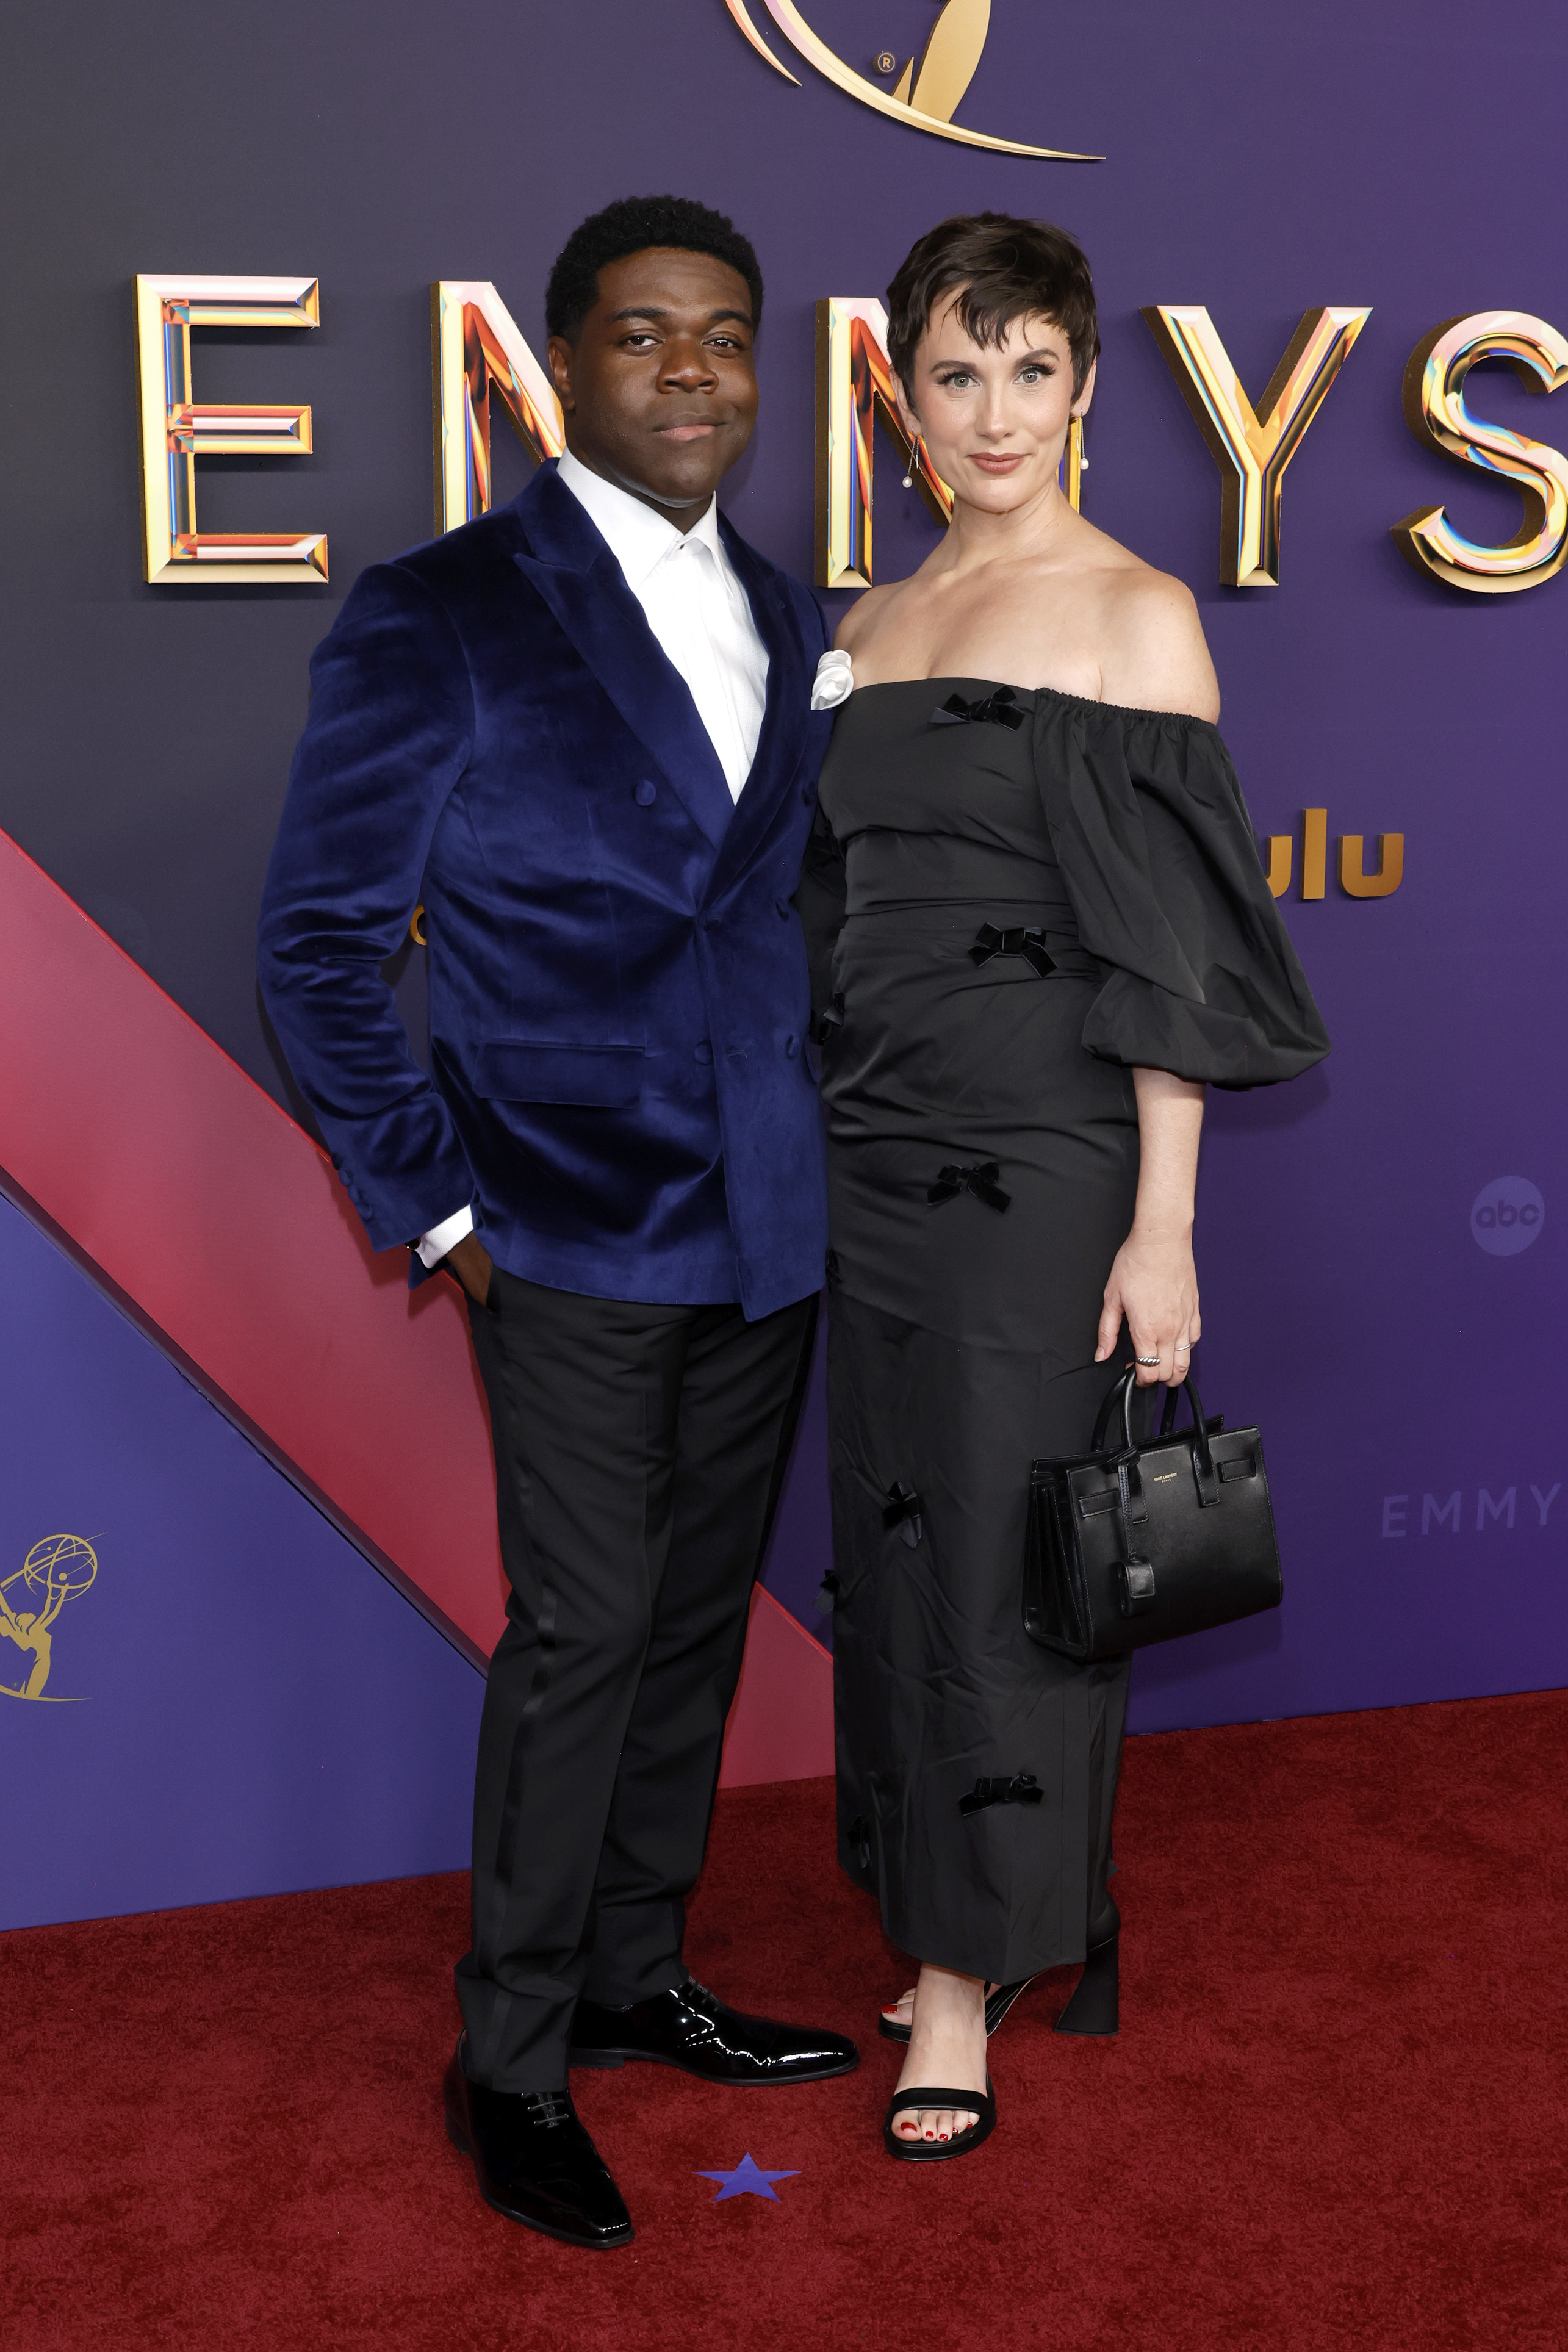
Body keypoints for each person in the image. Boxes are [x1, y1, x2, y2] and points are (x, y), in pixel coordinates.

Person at [258, 194, 857, 2252]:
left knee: (692, 1632)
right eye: (640, 336)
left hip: (768, 1228)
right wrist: (431, 1202)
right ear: (561, 365)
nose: (688, 372)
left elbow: (777, 919)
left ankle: (631, 1973)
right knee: (587, 1636)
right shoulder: (441, 611)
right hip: (567, 1225)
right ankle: (506, 2058)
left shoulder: (789, 615)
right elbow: (320, 944)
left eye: (722, 337)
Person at [797, 212, 1329, 2162]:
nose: (992, 411)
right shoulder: (869, 618)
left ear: (1087, 388)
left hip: (1042, 1161)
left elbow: (1168, 957)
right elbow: (828, 923)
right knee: (900, 1538)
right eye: (955, 372)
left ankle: (965, 1983)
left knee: (1017, 1560)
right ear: (904, 396)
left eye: (1030, 370)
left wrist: (1162, 1220)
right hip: (868, 1155)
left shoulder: (1136, 614)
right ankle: (947, 1900)